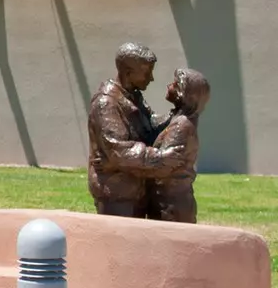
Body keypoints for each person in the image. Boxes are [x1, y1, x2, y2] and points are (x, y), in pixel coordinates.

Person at [86, 43, 170, 216]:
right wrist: (163, 158)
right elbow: (120, 152)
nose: (151, 78)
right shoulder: (106, 103)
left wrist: (177, 114)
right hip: (116, 192)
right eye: (147, 72)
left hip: (135, 187)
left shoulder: (133, 95)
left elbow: (149, 124)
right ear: (128, 73)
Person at [140, 68, 208, 223]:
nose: (169, 86)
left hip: (171, 204)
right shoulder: (178, 119)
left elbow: (164, 165)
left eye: (175, 84)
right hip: (168, 200)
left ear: (183, 94)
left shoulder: (181, 125)